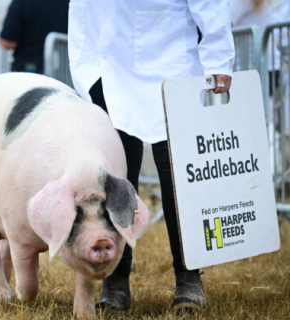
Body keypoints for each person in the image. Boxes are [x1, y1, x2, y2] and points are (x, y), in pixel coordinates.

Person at [68, 0, 234, 311]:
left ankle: (189, 277)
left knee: (178, 179)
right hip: (110, 67)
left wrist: (219, 59)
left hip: (171, 61)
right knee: (115, 181)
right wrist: (86, 72)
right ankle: (115, 280)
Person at [0, 0, 69, 74]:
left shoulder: (21, 2)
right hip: (64, 74)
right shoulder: (72, 3)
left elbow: (6, 42)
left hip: (29, 73)